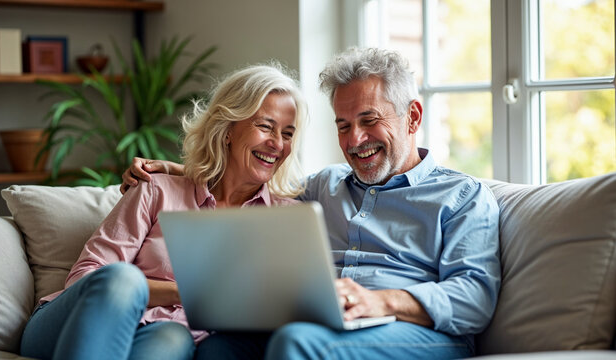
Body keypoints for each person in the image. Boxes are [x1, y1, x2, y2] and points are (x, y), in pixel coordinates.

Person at [122, 47, 501, 360]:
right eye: (343, 125)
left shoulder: (462, 197)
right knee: (219, 347)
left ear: (412, 116)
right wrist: (177, 170)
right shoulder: (326, 185)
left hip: (414, 332)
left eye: (369, 120)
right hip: (325, 325)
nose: (355, 140)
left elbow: (474, 296)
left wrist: (381, 301)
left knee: (296, 343)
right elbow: (252, 179)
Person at [19, 62, 307, 360]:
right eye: (265, 126)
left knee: (171, 340)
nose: (277, 144)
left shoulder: (287, 219)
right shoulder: (156, 190)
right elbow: (86, 279)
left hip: (170, 332)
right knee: (123, 279)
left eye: (287, 134)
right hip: (78, 322)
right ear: (227, 129)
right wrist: (180, 291)